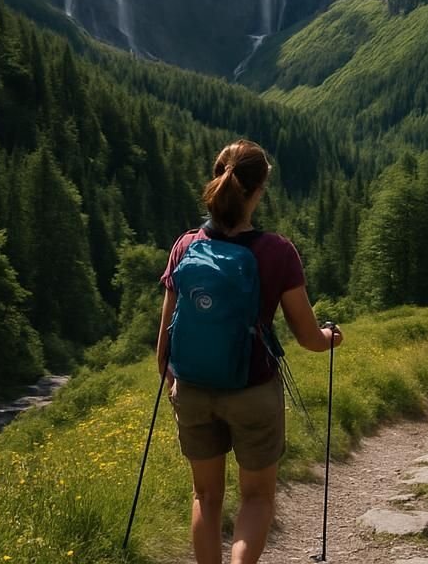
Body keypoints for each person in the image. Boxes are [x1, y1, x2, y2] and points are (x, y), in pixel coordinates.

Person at [157, 139, 343, 564]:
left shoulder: (185, 246)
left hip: (192, 389)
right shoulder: (277, 252)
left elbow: (165, 340)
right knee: (256, 497)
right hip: (252, 389)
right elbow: (309, 338)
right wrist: (333, 336)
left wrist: (176, 383)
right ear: (260, 189)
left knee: (205, 496)